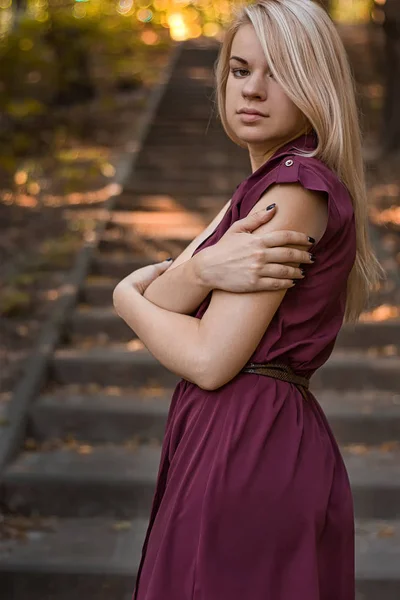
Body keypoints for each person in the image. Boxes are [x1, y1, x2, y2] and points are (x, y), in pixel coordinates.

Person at [113, 1, 383, 598]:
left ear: (315, 84)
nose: (253, 90)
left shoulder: (292, 188)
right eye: (240, 70)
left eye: (279, 72)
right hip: (238, 438)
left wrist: (122, 296)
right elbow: (171, 295)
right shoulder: (263, 184)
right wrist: (207, 266)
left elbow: (209, 358)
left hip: (249, 443)